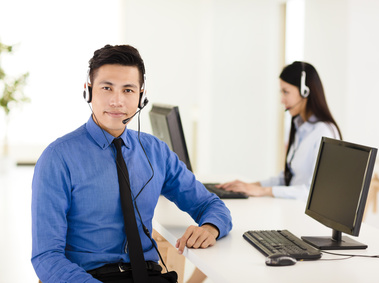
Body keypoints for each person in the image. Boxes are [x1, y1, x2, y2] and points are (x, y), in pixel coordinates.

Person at [31, 44, 232, 283]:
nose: (117, 101)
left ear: (141, 97)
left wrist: (210, 228)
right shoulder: (57, 158)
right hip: (87, 277)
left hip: (148, 275)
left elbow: (210, 204)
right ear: (88, 91)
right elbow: (46, 256)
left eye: (128, 90)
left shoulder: (155, 151)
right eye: (107, 88)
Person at [217, 61, 342, 201]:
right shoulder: (300, 127)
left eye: (286, 92)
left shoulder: (323, 132)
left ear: (305, 91)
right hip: (291, 208)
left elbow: (313, 193)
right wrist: (250, 186)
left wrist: (263, 191)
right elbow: (288, 178)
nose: (282, 100)